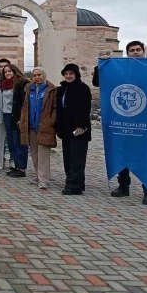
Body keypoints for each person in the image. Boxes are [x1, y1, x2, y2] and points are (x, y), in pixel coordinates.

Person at [92, 40, 147, 205]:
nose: (135, 53)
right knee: (122, 152)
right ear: (127, 53)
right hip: (122, 121)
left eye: (138, 50)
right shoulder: (118, 70)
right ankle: (123, 186)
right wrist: (102, 65)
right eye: (132, 50)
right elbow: (98, 83)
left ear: (143, 51)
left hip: (145, 123)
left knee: (145, 155)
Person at [18, 67, 57, 190]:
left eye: (39, 75)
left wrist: (50, 121)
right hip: (32, 126)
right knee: (34, 153)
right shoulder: (30, 89)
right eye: (34, 75)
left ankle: (44, 179)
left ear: (43, 75)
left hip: (44, 126)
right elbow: (25, 106)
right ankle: (38, 175)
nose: (37, 77)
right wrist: (23, 120)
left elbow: (55, 108)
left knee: (43, 153)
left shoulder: (51, 90)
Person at [56, 63, 92, 195]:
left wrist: (81, 126)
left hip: (79, 129)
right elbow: (60, 109)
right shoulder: (62, 89)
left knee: (77, 158)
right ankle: (74, 182)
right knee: (68, 157)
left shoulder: (83, 88)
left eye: (71, 74)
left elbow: (84, 109)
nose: (68, 76)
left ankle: (74, 186)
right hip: (66, 129)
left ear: (76, 75)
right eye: (66, 74)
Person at [3, 64, 29, 178]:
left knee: (20, 143)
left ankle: (21, 168)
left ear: (14, 71)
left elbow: (24, 104)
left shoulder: (21, 84)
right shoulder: (4, 84)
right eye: (5, 72)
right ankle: (16, 165)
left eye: (9, 71)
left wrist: (21, 119)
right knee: (11, 142)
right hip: (7, 115)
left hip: (17, 116)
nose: (7, 73)